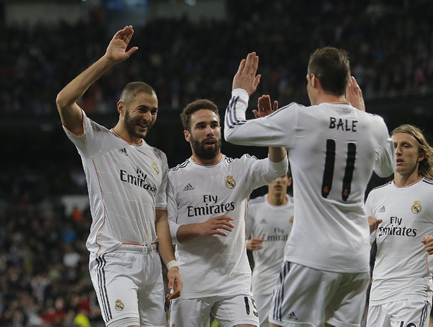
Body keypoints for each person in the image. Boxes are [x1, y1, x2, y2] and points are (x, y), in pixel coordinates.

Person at [224, 49, 395, 326]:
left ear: (313, 80)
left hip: (309, 257)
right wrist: (361, 113)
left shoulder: (300, 118)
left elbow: (232, 129)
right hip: (356, 260)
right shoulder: (374, 124)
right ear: (347, 81)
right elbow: (386, 169)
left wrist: (240, 92)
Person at [56, 25, 182, 327]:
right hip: (114, 258)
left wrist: (172, 265)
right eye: (142, 109)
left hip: (151, 262)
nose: (148, 117)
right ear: (121, 107)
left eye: (154, 111)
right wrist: (107, 61)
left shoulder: (158, 158)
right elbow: (63, 101)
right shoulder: (95, 140)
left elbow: (161, 219)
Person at [166, 98, 288, 327]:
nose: (209, 131)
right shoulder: (175, 178)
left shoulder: (240, 168)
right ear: (187, 135)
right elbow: (166, 229)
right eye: (201, 126)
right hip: (191, 283)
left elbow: (277, 168)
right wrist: (200, 228)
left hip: (234, 282)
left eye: (214, 125)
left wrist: (272, 131)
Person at [365, 124, 433, 327]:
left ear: (420, 154)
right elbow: (362, 246)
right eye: (393, 146)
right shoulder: (376, 195)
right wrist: (363, 232)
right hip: (378, 294)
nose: (398, 151)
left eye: (406, 146)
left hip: (412, 293)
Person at [246, 172, 294, 327]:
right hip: (263, 280)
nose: (278, 180)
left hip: (292, 280)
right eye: (275, 177)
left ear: (289, 181)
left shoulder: (299, 207)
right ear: (267, 181)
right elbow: (237, 240)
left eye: (283, 177)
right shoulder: (254, 207)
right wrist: (247, 244)